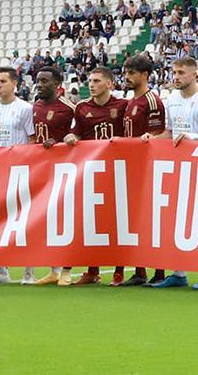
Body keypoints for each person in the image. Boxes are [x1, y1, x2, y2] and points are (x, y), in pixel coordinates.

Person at [151, 56, 198, 290]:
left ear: (194, 75)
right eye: (175, 72)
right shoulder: (171, 99)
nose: (177, 76)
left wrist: (195, 137)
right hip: (177, 167)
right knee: (175, 218)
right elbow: (170, 132)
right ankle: (178, 272)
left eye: (181, 72)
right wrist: (151, 139)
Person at [59, 67, 127, 287]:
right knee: (91, 220)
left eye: (97, 80)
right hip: (91, 172)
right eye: (90, 80)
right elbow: (77, 131)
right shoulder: (82, 107)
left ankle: (119, 270)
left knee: (117, 221)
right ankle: (92, 270)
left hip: (118, 170)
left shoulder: (122, 106)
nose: (92, 84)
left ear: (109, 84)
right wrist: (72, 136)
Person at [0, 67, 36, 286]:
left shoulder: (25, 109)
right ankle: (1, 269)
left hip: (19, 171)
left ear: (14, 84)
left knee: (25, 220)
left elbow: (33, 140)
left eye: (3, 81)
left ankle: (29, 272)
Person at [116, 53, 166, 287]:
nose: (127, 77)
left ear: (144, 75)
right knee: (134, 220)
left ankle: (159, 271)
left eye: (131, 73)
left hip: (147, 168)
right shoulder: (131, 102)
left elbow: (158, 135)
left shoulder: (152, 101)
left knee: (151, 219)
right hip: (131, 167)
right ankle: (139, 270)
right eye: (125, 72)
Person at [29, 66, 75, 285]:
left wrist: (58, 144)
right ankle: (54, 269)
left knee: (66, 218)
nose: (40, 84)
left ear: (57, 84)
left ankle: (67, 269)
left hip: (64, 170)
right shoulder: (36, 106)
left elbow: (76, 137)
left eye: (45, 81)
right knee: (48, 220)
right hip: (42, 170)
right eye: (38, 80)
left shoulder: (69, 109)